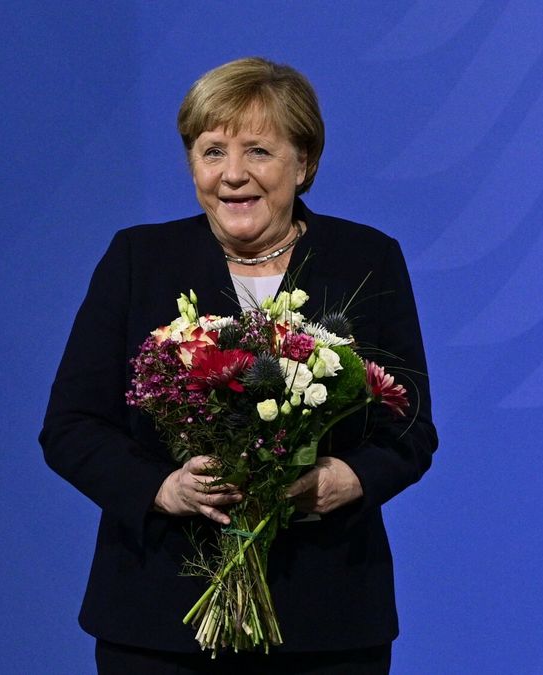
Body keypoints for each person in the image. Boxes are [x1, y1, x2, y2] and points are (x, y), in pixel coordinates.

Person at [40, 57, 437, 674]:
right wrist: (161, 489)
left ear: (302, 163)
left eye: (257, 150)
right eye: (212, 151)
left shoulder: (367, 259)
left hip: (326, 619)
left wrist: (347, 479)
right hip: (160, 617)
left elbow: (409, 427)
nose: (232, 176)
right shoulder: (137, 259)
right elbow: (71, 427)